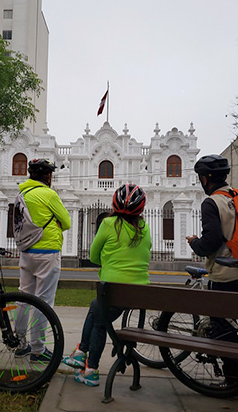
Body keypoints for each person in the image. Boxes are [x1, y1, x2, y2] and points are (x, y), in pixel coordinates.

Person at [62, 184, 152, 386]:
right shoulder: (145, 228)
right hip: (140, 294)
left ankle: (89, 365)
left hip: (113, 293)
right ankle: (81, 354)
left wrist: (109, 261)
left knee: (98, 318)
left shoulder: (109, 224)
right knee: (96, 309)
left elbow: (93, 256)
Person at [186, 154, 238, 383]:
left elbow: (212, 241)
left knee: (223, 327)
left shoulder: (211, 202)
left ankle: (232, 378)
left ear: (207, 178)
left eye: (200, 177)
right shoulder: (235, 196)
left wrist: (195, 243)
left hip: (225, 273)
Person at [15, 158, 71, 362]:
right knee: (43, 302)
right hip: (47, 253)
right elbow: (66, 222)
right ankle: (38, 349)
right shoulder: (49, 194)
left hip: (26, 251)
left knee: (24, 298)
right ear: (47, 176)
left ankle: (19, 344)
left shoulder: (22, 193)